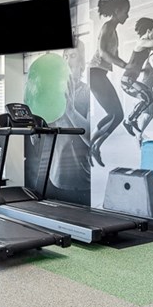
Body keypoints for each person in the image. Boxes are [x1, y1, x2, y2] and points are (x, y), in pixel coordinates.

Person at [88, 0, 130, 166]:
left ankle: (94, 146)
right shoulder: (107, 27)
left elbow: (115, 57)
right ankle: (92, 146)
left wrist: (131, 67)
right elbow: (103, 53)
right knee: (116, 114)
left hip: (100, 74)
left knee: (117, 115)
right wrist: (125, 65)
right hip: (95, 74)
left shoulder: (114, 31)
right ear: (117, 11)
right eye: (126, 12)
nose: (127, 15)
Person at [48, 39, 92, 205]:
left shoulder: (89, 93)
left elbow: (91, 139)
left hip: (82, 182)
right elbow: (41, 134)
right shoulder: (54, 94)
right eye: (65, 56)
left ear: (81, 63)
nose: (67, 61)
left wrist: (71, 111)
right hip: (56, 178)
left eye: (72, 56)